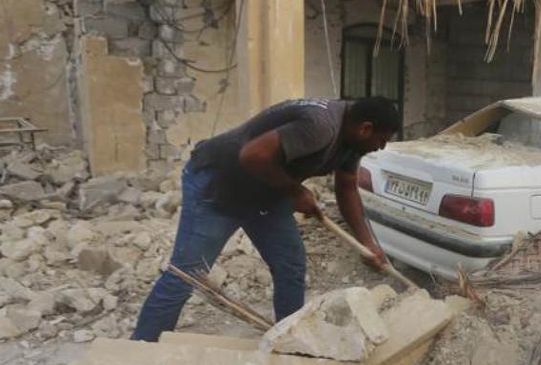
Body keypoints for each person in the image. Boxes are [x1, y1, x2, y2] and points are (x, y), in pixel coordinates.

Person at [131, 96, 399, 342]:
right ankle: (141, 348)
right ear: (365, 128)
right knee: (187, 274)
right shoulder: (321, 126)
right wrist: (295, 191)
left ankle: (288, 342)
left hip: (265, 190)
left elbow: (347, 188)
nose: (381, 147)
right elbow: (252, 155)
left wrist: (367, 243)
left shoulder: (352, 141)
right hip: (218, 182)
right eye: (382, 139)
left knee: (290, 265)